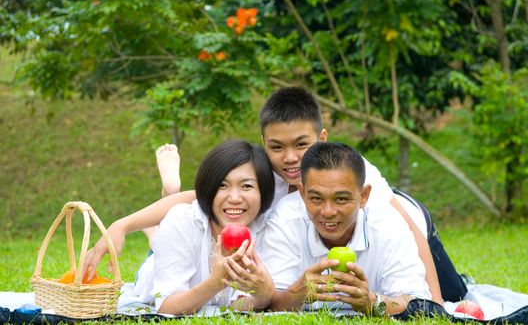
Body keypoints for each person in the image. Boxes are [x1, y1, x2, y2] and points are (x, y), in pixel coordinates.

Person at [84, 86, 466, 304]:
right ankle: (165, 188)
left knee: (452, 297)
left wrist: (436, 302)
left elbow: (404, 228)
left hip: (414, 223)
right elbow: (197, 199)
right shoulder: (267, 171)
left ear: (321, 139)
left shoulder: (350, 171)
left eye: (301, 145)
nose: (291, 158)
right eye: (277, 147)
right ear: (265, 143)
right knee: (185, 226)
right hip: (327, 226)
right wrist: (122, 224)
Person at [262, 142, 431, 315]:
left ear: (364, 196)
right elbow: (266, 305)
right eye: (316, 198)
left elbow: (418, 305)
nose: (328, 212)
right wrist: (296, 294)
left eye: (341, 199)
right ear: (303, 194)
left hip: (421, 218)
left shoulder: (389, 225)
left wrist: (373, 302)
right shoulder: (285, 221)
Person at [128, 139, 276, 315]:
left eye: (246, 186)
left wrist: (264, 295)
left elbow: (236, 306)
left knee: (161, 237)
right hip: (158, 264)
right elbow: (166, 308)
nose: (235, 197)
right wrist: (214, 283)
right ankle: (159, 221)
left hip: (177, 235)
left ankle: (155, 233)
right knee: (156, 250)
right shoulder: (181, 220)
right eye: (222, 185)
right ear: (208, 188)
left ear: (264, 190)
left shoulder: (271, 228)